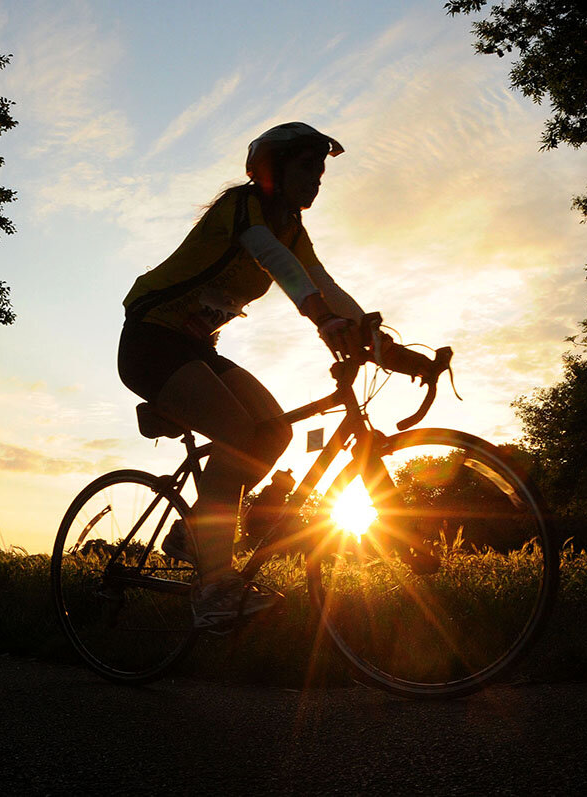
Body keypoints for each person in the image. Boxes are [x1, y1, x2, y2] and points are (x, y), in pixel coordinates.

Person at [118, 121, 436, 627]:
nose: (317, 178)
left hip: (196, 349)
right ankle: (213, 590)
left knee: (275, 431)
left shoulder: (292, 229)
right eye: (307, 166)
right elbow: (277, 263)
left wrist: (388, 350)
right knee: (239, 430)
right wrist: (321, 319)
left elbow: (320, 281)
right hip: (151, 339)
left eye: (322, 169)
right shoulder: (242, 208)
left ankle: (195, 531)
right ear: (272, 169)